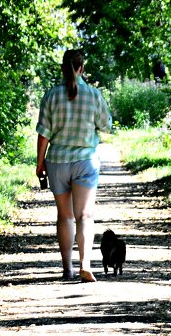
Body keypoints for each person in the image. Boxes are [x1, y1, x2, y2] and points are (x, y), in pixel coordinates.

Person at [36, 48, 113, 282]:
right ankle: (85, 264)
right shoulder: (93, 95)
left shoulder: (51, 95)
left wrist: (39, 165)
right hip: (85, 162)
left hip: (57, 162)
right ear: (81, 68)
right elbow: (106, 126)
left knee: (65, 217)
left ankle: (67, 268)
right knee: (85, 215)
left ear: (63, 68)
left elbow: (43, 135)